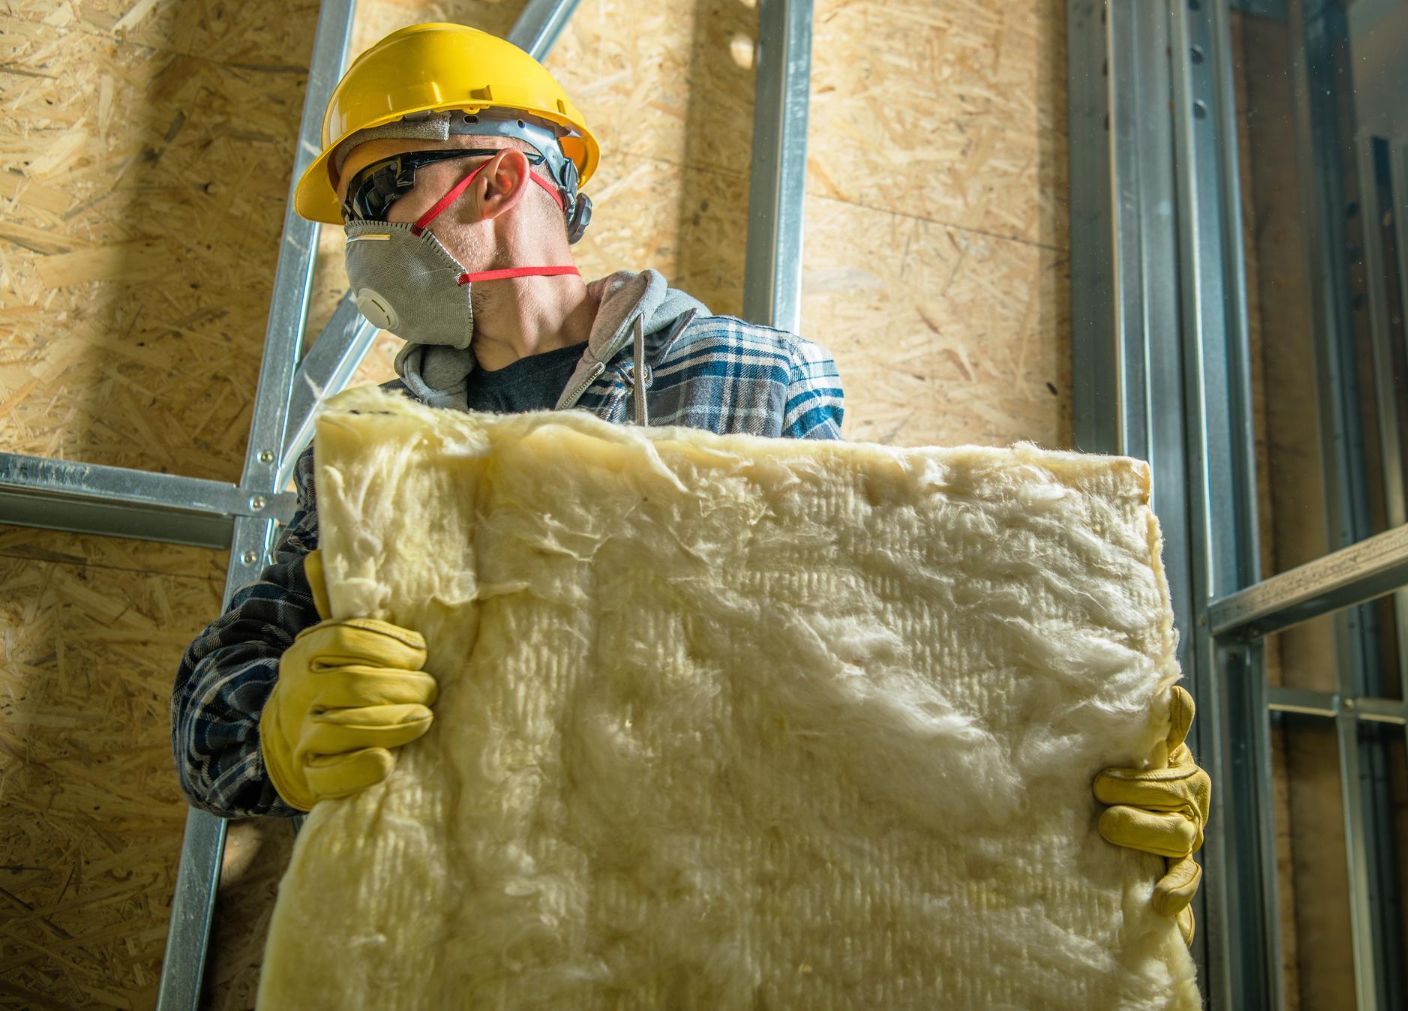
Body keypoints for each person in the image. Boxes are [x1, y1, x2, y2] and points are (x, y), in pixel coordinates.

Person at [171, 22, 1208, 944]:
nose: (361, 247)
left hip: (690, 930)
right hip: (458, 944)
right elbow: (211, 701)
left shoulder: (750, 380)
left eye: (371, 197)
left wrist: (1081, 781)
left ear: (490, 183)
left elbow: (877, 649)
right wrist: (271, 725)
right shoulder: (372, 446)